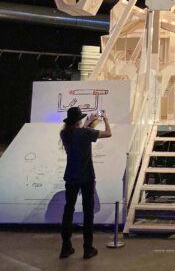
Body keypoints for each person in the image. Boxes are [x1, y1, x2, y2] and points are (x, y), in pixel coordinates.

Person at [59, 106, 112, 260]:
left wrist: (89, 123)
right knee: (88, 213)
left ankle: (65, 248)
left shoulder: (65, 133)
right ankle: (87, 249)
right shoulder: (86, 133)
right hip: (87, 177)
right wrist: (105, 120)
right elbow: (108, 133)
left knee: (68, 211)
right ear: (79, 120)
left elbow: (79, 134)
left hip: (71, 177)